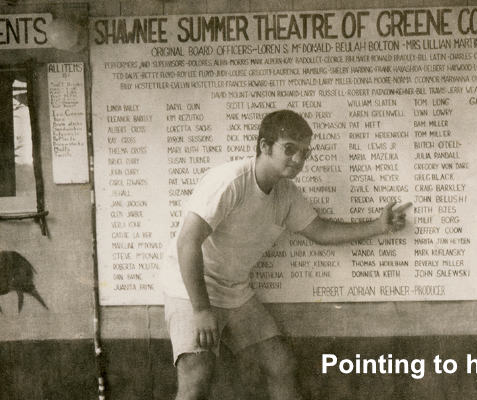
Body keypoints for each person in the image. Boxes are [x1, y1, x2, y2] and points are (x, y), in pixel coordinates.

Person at [162, 109, 411, 400]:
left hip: (235, 291)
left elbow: (320, 231)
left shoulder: (287, 194)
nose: (298, 160)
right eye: (289, 149)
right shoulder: (230, 181)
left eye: (305, 152)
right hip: (191, 287)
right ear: (264, 146)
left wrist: (378, 226)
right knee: (197, 372)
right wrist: (201, 309)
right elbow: (187, 242)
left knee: (280, 365)